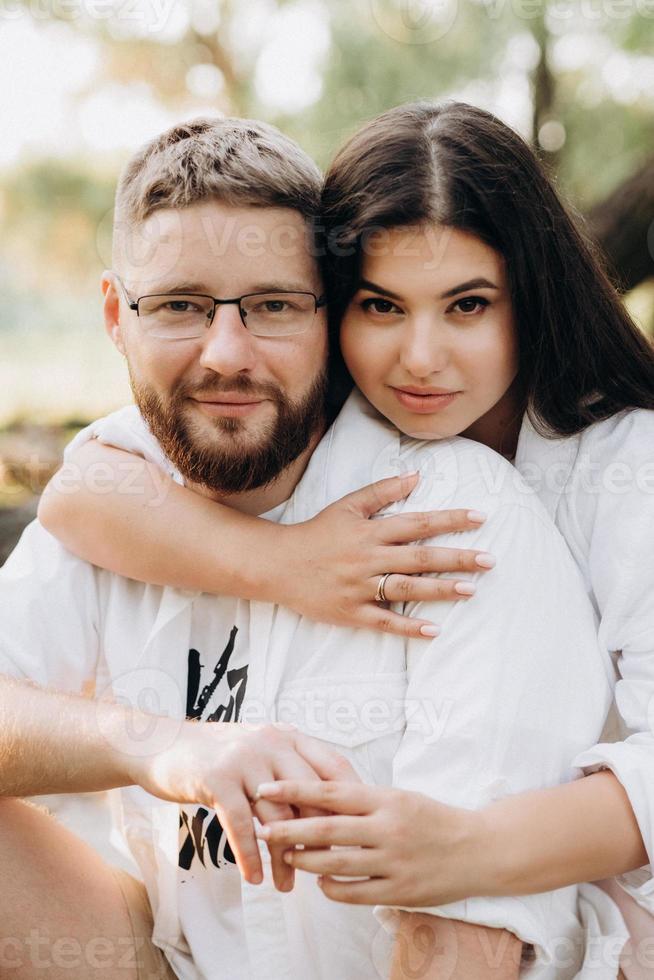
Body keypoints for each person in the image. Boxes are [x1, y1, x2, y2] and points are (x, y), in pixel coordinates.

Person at [38, 102, 654, 976]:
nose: (420, 359)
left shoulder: (624, 465)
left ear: (533, 298)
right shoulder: (311, 410)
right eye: (381, 306)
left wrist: (469, 848)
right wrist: (284, 565)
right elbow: (81, 497)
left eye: (469, 305)